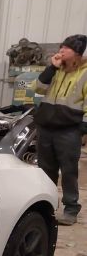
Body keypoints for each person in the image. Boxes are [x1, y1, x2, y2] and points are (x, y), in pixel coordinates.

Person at [34, 34, 87, 225]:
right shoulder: (56, 70)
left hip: (69, 130)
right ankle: (46, 205)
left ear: (77, 53)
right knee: (45, 170)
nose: (61, 51)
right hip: (46, 127)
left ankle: (71, 209)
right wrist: (51, 68)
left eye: (66, 48)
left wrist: (82, 130)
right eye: (61, 47)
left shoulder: (84, 73)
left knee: (69, 171)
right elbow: (38, 88)